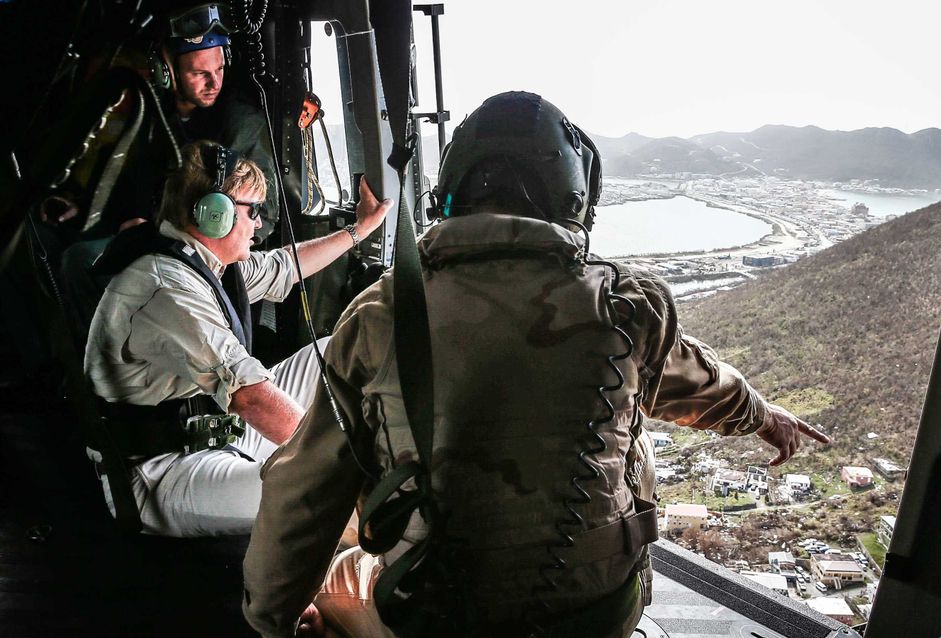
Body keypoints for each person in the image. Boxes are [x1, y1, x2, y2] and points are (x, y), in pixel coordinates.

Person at [242, 92, 830, 638]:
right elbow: (701, 386)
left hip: (443, 617)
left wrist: (273, 621)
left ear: (450, 193)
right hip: (598, 612)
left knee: (340, 575)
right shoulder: (627, 308)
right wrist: (762, 416)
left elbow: (304, 489)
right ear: (572, 197)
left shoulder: (377, 316)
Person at [83, 140, 391, 537]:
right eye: (254, 211)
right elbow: (250, 396)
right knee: (324, 487)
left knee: (342, 345)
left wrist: (359, 230)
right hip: (159, 472)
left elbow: (282, 267)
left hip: (210, 427)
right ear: (215, 216)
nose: (260, 224)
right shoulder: (166, 288)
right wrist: (341, 463)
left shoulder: (201, 263)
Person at [46, 4, 280, 346]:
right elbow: (133, 180)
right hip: (153, 235)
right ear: (166, 70)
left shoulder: (241, 124)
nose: (214, 82)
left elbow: (266, 214)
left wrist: (158, 233)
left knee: (78, 262)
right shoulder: (153, 113)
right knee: (61, 246)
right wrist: (85, 206)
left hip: (202, 247)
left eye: (219, 69)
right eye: (199, 73)